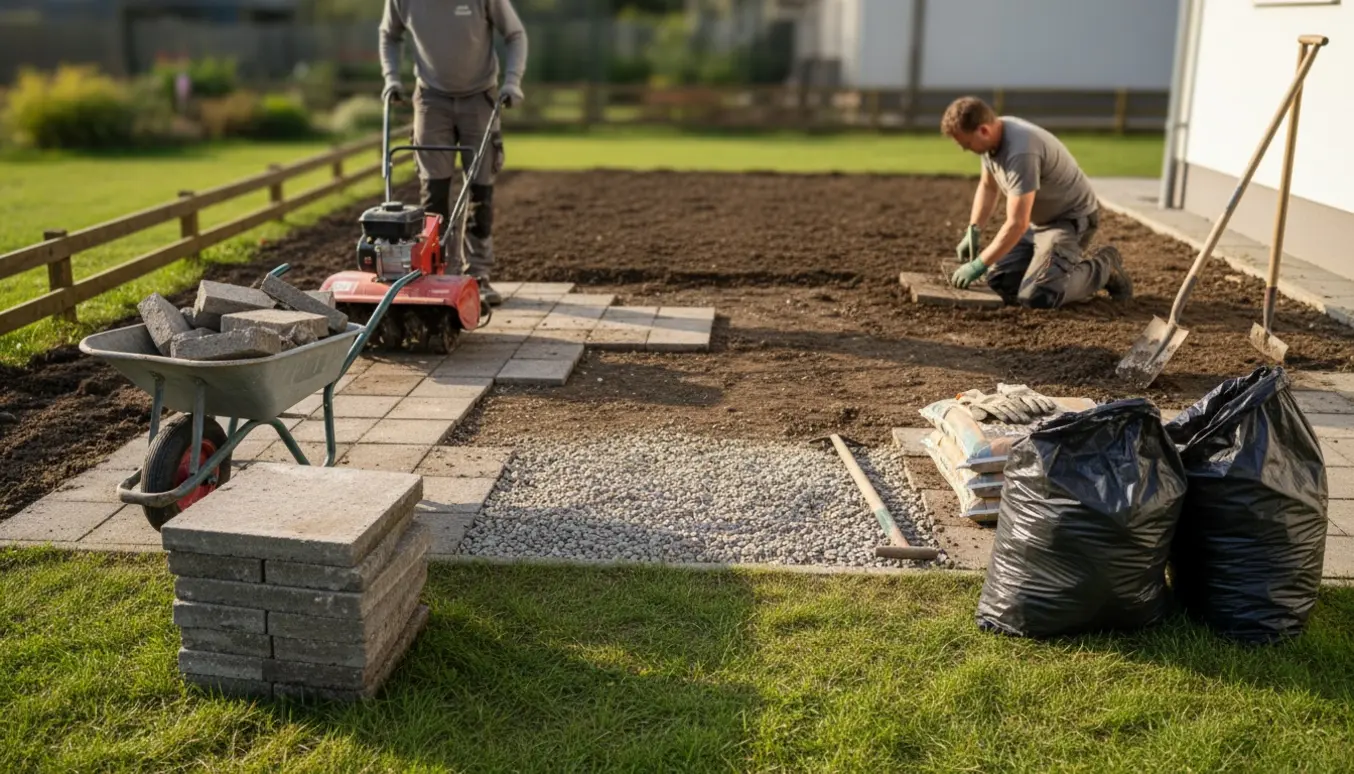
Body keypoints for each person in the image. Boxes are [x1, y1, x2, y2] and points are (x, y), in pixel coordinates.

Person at [379, 0, 529, 306]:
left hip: (480, 97)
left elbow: (515, 34)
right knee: (434, 193)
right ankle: (439, 271)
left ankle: (479, 274)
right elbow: (389, 35)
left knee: (480, 190)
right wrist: (391, 77)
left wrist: (512, 82)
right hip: (431, 100)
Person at [940, 96, 1132, 309]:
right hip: (1039, 224)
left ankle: (1104, 268)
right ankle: (1046, 266)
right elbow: (988, 186)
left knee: (1038, 296)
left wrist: (978, 264)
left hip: (1070, 221)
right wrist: (973, 229)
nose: (965, 149)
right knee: (1000, 284)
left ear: (983, 130)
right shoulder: (992, 138)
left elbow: (1017, 223)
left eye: (966, 143)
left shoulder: (1021, 151)